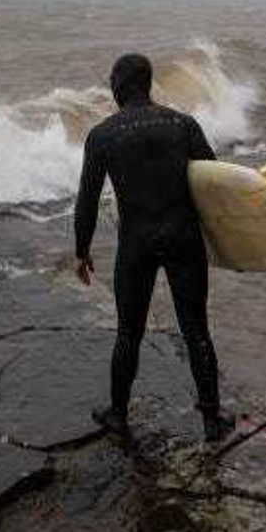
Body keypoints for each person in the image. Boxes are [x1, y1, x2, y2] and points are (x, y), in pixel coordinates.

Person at [73, 52, 235, 443]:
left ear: (120, 84)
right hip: (183, 239)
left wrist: (82, 250)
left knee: (129, 332)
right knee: (196, 328)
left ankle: (118, 414)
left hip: (137, 244)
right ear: (147, 82)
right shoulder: (183, 124)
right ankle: (212, 420)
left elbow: (87, 200)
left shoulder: (103, 135)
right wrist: (225, 239)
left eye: (112, 79)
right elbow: (212, 180)